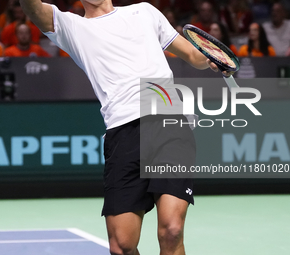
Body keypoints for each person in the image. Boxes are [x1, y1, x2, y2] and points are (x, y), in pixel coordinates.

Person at [19, 1, 224, 255]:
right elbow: (32, 8)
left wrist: (212, 59)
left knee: (171, 230)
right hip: (122, 133)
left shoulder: (145, 11)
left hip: (169, 124)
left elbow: (193, 56)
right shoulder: (72, 27)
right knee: (122, 246)